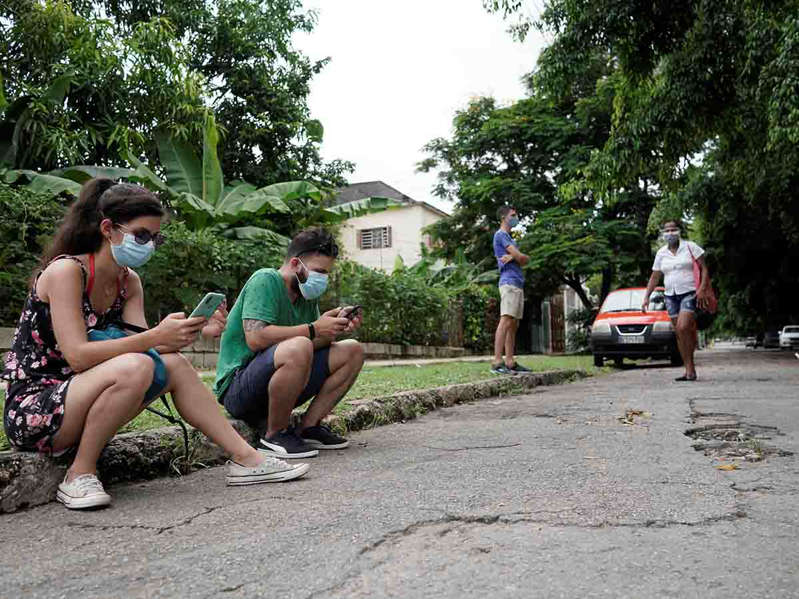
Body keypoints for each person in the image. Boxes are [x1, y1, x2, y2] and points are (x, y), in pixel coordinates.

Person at [1, 178, 308, 511]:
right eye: (141, 235)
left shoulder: (128, 281)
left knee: (172, 364)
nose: (148, 245)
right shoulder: (66, 272)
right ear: (108, 228)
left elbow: (147, 348)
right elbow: (77, 356)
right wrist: (155, 337)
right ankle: (79, 473)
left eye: (154, 237)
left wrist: (191, 333)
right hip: (38, 409)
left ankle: (246, 459)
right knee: (137, 365)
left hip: (86, 396)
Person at [214, 228, 365, 459]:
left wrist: (333, 326)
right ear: (295, 263)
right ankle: (274, 435)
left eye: (326, 273)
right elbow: (255, 338)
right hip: (239, 388)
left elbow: (312, 341)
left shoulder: (305, 295)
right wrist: (314, 328)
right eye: (318, 271)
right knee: (299, 345)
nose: (322, 279)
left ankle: (309, 427)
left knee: (352, 350)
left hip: (280, 380)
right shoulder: (265, 279)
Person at [642, 219, 712, 381]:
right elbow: (655, 276)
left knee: (682, 326)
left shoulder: (690, 247)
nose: (670, 233)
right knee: (680, 334)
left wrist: (701, 289)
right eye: (667, 231)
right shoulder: (661, 253)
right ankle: (689, 370)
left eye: (673, 230)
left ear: (679, 231)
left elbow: (705, 268)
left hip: (689, 292)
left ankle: (690, 367)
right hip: (670, 295)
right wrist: (646, 296)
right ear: (663, 234)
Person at [491, 206, 531, 375]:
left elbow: (525, 259)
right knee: (506, 320)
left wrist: (515, 256)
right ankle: (497, 361)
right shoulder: (500, 235)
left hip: (517, 283)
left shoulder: (510, 238)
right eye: (513, 215)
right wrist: (517, 256)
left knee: (513, 324)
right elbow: (521, 258)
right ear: (503, 217)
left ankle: (509, 361)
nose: (516, 218)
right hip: (508, 282)